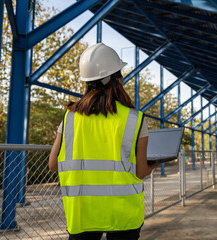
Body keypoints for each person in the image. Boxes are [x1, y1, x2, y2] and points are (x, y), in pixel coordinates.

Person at [49, 43, 160, 240]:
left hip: (82, 213)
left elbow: (53, 165)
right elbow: (140, 171)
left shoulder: (70, 117)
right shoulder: (134, 118)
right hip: (123, 215)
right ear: (114, 79)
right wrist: (155, 164)